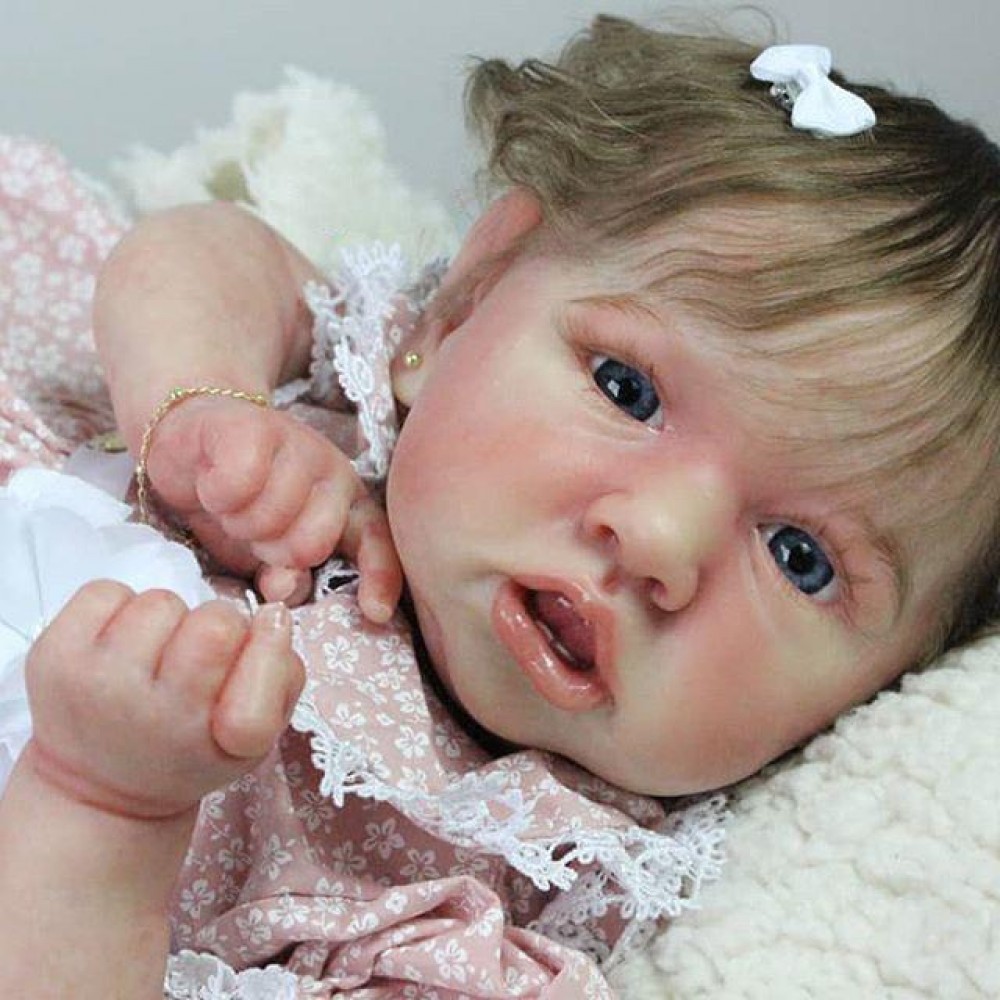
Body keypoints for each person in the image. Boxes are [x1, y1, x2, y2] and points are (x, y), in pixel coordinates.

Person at [2, 13, 1000, 998]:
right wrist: (201, 402)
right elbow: (195, 251)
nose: (658, 538)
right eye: (626, 389)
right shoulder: (365, 389)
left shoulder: (486, 887)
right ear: (465, 306)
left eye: (798, 556)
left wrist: (106, 806)